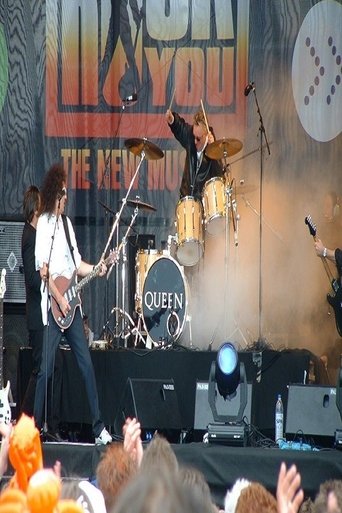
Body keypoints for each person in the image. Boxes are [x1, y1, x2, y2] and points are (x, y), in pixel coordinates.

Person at [33, 163, 112, 445]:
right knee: (45, 369)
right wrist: (58, 298)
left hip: (72, 307)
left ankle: (98, 427)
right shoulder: (44, 224)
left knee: (86, 365)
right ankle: (34, 428)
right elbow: (42, 272)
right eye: (64, 192)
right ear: (56, 192)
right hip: (55, 307)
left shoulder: (66, 225)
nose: (67, 197)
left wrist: (97, 268)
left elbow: (77, 264)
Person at [21, 185, 64, 441]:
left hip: (46, 314)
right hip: (38, 316)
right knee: (40, 369)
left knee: (54, 367)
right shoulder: (29, 236)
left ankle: (51, 424)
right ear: (36, 208)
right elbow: (32, 280)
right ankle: (27, 424)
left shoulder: (37, 235)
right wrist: (46, 276)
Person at [165, 109, 224, 200]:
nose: (195, 141)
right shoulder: (190, 135)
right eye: (194, 136)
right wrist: (172, 119)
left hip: (203, 200)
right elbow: (180, 127)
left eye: (198, 138)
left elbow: (219, 174)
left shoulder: (212, 147)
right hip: (187, 197)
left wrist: (215, 150)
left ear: (206, 135)